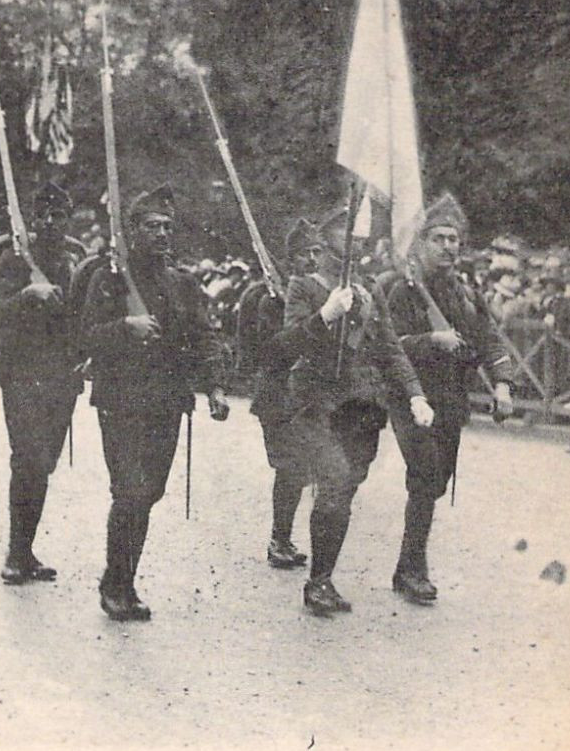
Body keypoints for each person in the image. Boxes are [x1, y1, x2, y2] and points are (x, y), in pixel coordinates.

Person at [272, 207, 432, 616]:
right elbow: (289, 344)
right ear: (326, 238)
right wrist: (325, 315)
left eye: (360, 235)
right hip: (318, 404)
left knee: (343, 491)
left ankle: (323, 574)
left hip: (361, 408)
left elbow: (389, 347)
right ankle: (319, 582)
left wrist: (414, 394)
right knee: (335, 483)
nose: (357, 240)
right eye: (347, 232)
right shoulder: (304, 285)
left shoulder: (369, 289)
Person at [81, 185, 230, 619]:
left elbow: (204, 336)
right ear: (133, 231)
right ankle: (115, 583)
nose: (162, 234)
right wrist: (126, 326)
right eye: (152, 227)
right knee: (129, 491)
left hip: (167, 402)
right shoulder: (107, 278)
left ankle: (126, 581)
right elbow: (84, 337)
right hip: (122, 400)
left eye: (167, 226)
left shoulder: (182, 282)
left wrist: (215, 387)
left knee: (149, 493)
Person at [377, 195, 517, 604]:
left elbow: (488, 338)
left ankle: (407, 564)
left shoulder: (466, 292)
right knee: (425, 474)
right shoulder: (397, 288)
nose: (449, 247)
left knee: (435, 483)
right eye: (439, 238)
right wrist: (430, 341)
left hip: (451, 400)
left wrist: (504, 384)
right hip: (410, 396)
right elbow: (388, 346)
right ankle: (413, 570)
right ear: (420, 243)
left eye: (454, 239)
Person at [0, 184, 82, 586]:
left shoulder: (77, 257)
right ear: (34, 219)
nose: (51, 222)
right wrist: (27, 293)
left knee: (45, 464)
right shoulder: (14, 257)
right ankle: (16, 553)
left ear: (68, 219)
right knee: (28, 460)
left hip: (62, 374)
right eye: (44, 215)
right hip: (22, 371)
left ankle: (26, 549)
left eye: (59, 215)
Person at [234, 218, 320, 570]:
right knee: (290, 467)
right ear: (291, 257)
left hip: (307, 393)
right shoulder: (265, 296)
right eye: (305, 254)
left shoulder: (316, 291)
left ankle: (282, 538)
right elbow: (263, 350)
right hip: (277, 392)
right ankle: (278, 540)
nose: (313, 260)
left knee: (300, 470)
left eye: (317, 252)